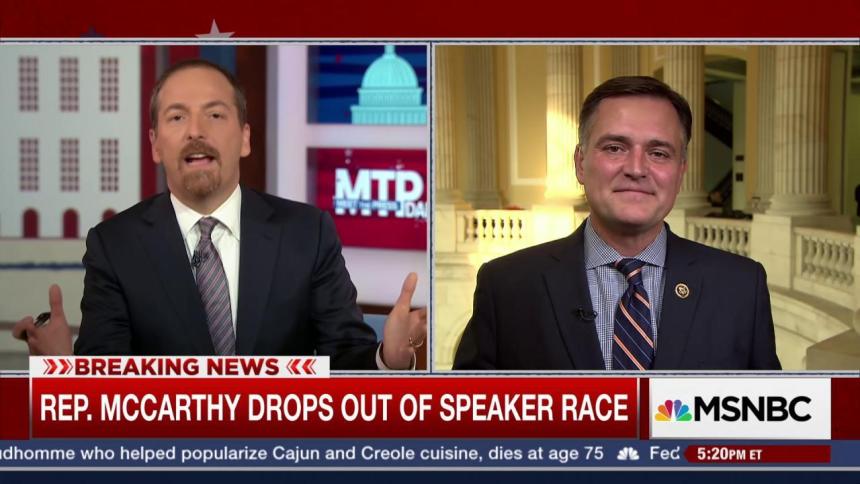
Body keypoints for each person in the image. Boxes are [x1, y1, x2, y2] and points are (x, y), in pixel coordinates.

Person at [13, 59, 426, 370]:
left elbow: (346, 362)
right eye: (177, 117)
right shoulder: (114, 245)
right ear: (155, 144)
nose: (196, 131)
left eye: (214, 115)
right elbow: (109, 391)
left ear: (244, 138)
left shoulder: (307, 233)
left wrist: (388, 358)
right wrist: (62, 372)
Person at [453, 76, 780, 371]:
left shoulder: (741, 287)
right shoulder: (506, 287)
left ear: (681, 171)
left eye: (659, 153)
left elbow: (767, 413)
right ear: (580, 163)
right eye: (614, 148)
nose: (636, 169)